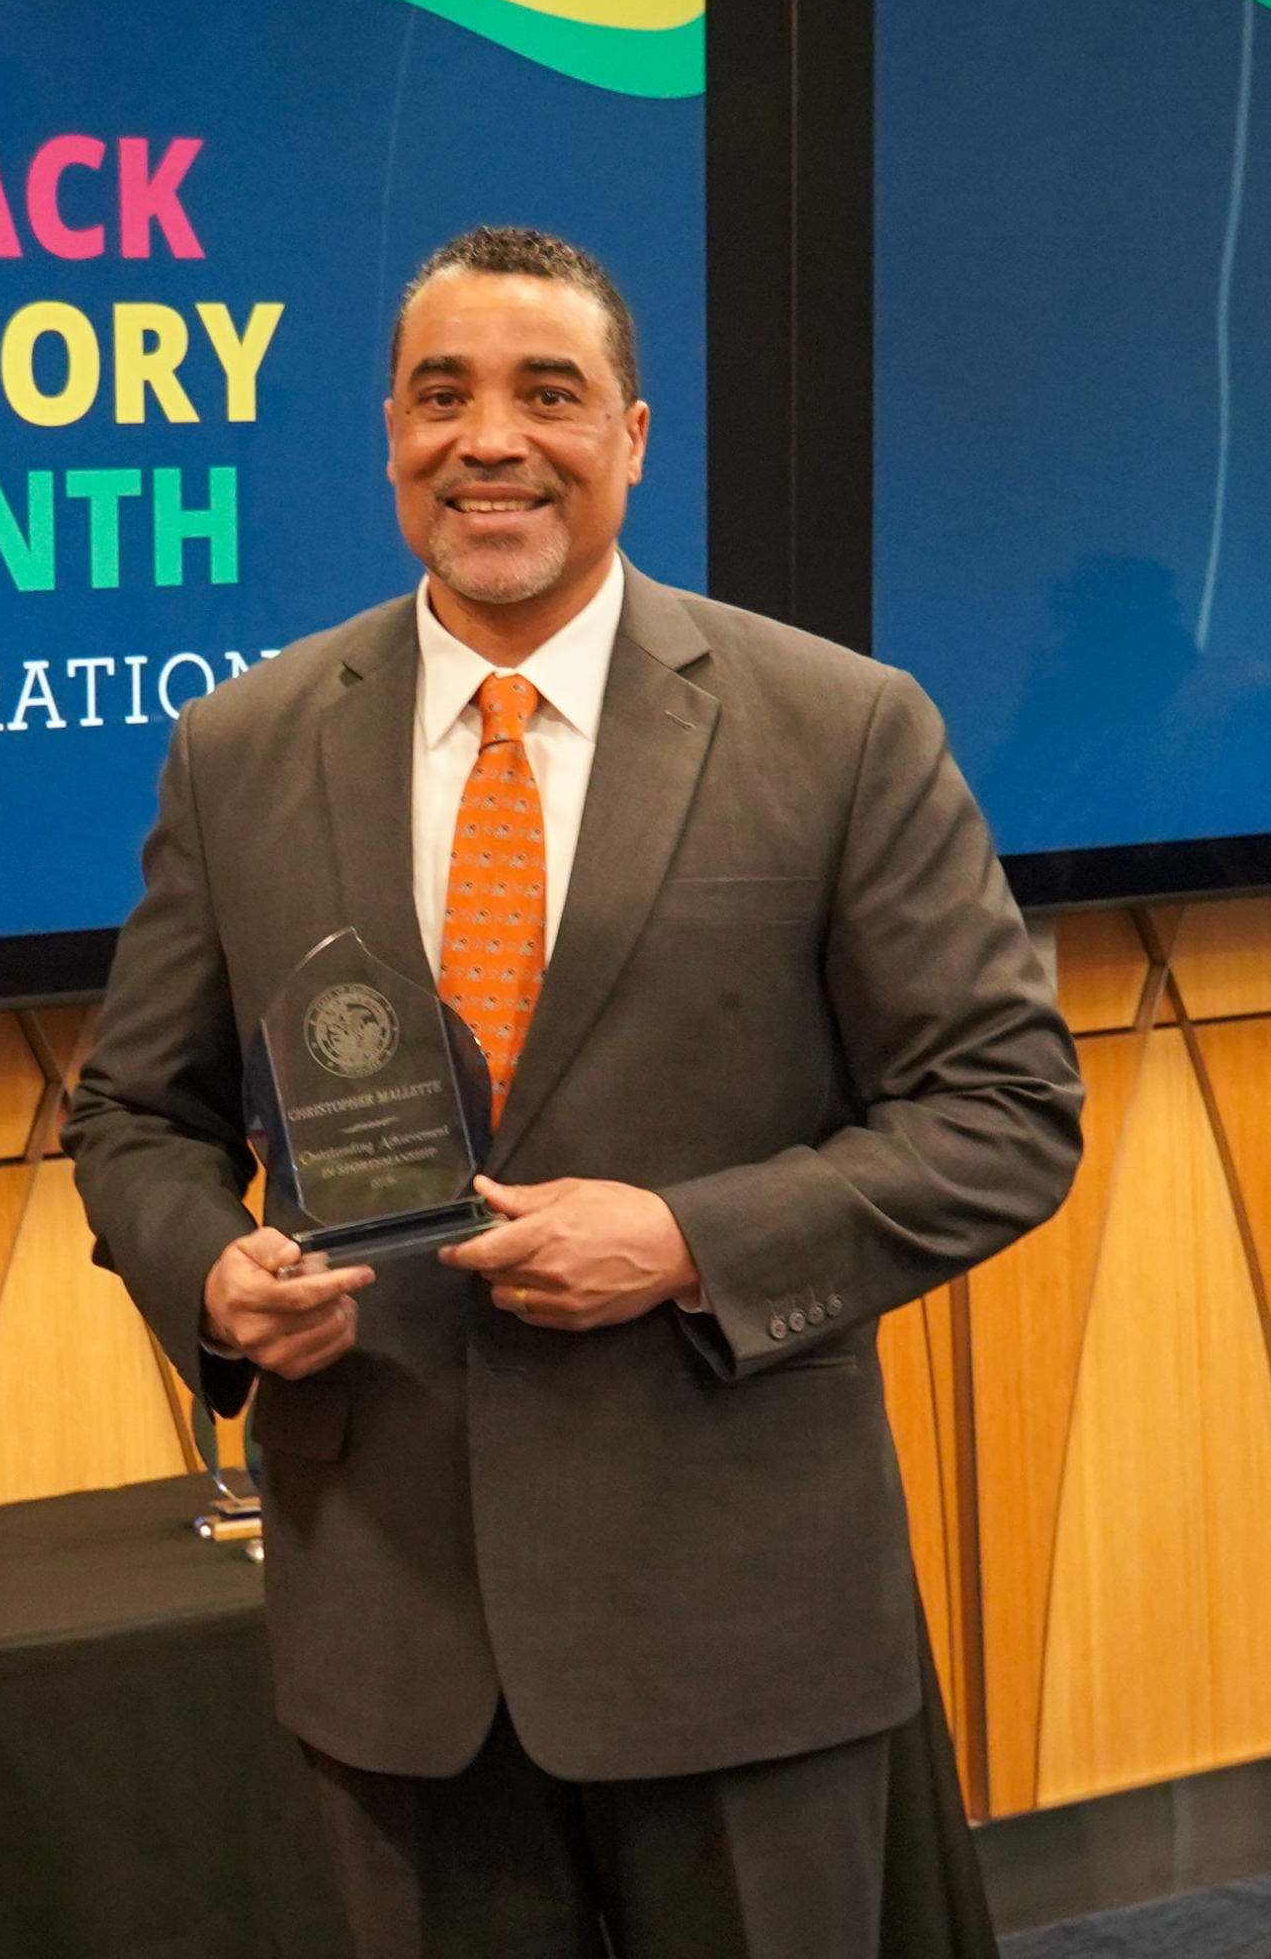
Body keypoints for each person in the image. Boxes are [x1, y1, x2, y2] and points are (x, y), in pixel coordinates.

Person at [64, 227, 1083, 1959]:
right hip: (395, 1627)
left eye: (549, 394)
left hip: (737, 1610)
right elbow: (134, 1114)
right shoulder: (243, 744)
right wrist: (213, 1282)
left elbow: (1003, 1111)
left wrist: (692, 1239)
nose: (491, 440)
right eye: (442, 395)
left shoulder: (840, 727)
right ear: (388, 430)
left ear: (632, 435)